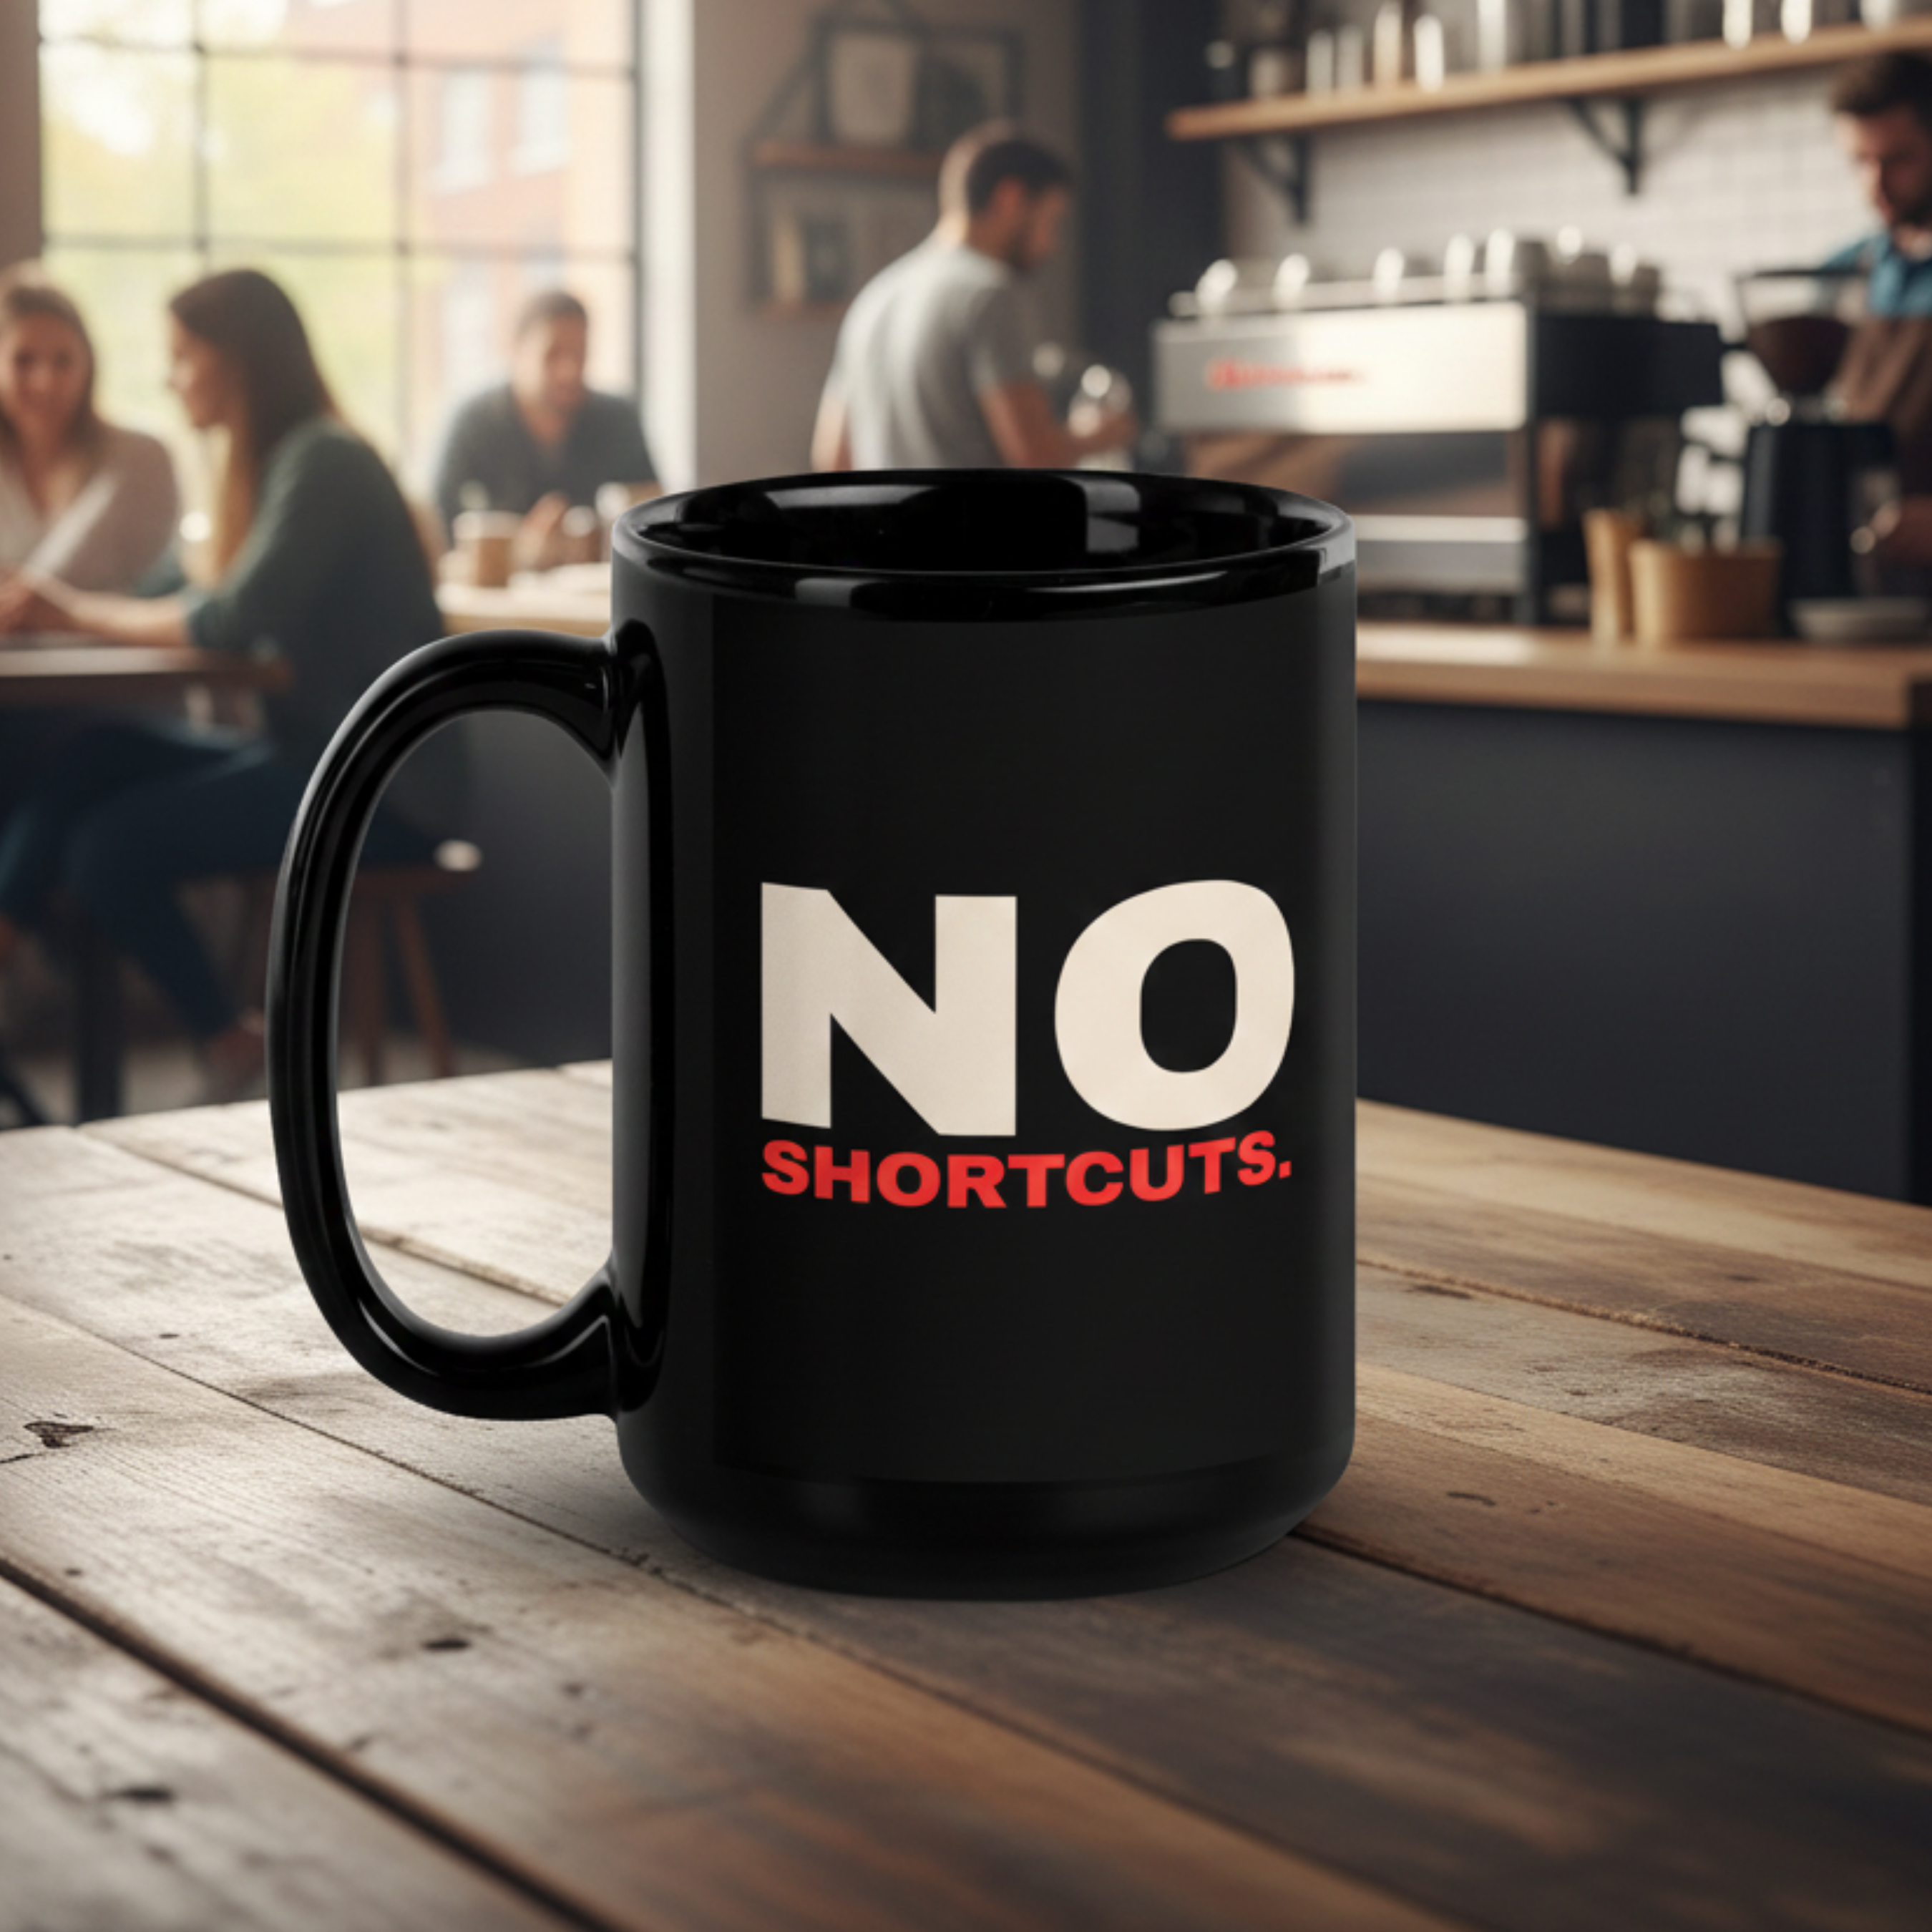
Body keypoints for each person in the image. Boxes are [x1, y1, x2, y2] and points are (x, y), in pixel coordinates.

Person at [0, 267, 463, 1099]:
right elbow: (175, 595)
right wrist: (68, 610)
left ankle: (226, 1039)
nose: (170, 376)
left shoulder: (323, 461)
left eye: (183, 355)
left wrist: (68, 611)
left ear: (237, 361)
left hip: (379, 789)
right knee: (92, 754)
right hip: (304, 754)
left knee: (108, 846)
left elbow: (226, 618)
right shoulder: (275, 467)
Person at [811, 124, 1137, 473]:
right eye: (1052, 221)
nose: (1051, 246)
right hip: (970, 528)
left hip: (884, 528)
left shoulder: (875, 297)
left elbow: (833, 461)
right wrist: (1098, 435)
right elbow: (1033, 456)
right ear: (1010, 198)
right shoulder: (990, 293)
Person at [431, 288, 658, 561]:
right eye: (553, 354)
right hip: (496, 595)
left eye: (580, 354)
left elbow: (652, 516)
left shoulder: (618, 418)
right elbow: (438, 528)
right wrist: (518, 549)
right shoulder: (473, 422)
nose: (569, 370)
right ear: (516, 351)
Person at [0, 265, 180, 592]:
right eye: (24, 361)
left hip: (118, 643)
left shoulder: (141, 457)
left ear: (88, 363)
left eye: (63, 361)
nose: (46, 383)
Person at [1827, 52, 1932, 562]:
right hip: (1859, 585)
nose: (1876, 185)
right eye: (1861, 162)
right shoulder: (1844, 275)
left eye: (1897, 160)